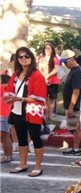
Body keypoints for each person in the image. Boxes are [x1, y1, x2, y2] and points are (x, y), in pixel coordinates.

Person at [3, 46, 47, 177]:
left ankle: (38, 166)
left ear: (31, 58)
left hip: (32, 111)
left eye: (26, 56)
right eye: (20, 56)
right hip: (17, 110)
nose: (23, 58)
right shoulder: (16, 74)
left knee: (35, 138)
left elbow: (39, 97)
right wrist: (8, 97)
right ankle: (23, 163)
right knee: (21, 138)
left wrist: (19, 98)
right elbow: (9, 90)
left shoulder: (37, 75)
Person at [60, 50, 81, 156]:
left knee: (76, 128)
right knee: (74, 129)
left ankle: (77, 148)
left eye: (66, 62)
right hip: (72, 105)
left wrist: (71, 107)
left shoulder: (77, 72)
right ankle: (76, 147)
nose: (65, 64)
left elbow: (76, 91)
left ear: (72, 59)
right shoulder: (73, 70)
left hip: (75, 106)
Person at [37, 42, 60, 120]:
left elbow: (56, 69)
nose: (47, 50)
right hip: (43, 81)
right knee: (45, 98)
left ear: (52, 49)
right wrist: (44, 77)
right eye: (46, 48)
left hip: (53, 81)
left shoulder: (55, 58)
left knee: (52, 99)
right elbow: (39, 69)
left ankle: (50, 115)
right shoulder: (41, 58)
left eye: (49, 48)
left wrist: (48, 75)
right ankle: (46, 115)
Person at [1, 74, 13, 163]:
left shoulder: (2, 88)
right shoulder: (9, 90)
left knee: (4, 138)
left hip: (3, 115)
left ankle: (7, 155)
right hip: (7, 115)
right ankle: (8, 155)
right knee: (6, 137)